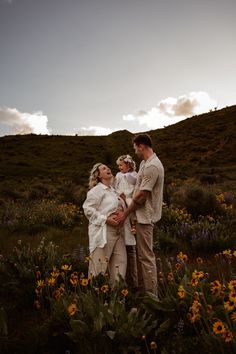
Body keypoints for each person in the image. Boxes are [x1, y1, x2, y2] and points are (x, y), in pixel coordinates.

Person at [116, 133, 164, 295]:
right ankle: (144, 291)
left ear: (141, 146)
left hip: (145, 217)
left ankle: (152, 297)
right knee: (142, 256)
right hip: (139, 216)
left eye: (135, 147)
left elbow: (142, 196)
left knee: (146, 257)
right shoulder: (145, 163)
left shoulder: (152, 166)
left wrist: (125, 214)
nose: (135, 150)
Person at [82, 163, 127, 286]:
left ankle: (117, 300)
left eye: (108, 167)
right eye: (104, 168)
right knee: (98, 268)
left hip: (119, 233)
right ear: (98, 175)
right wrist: (105, 219)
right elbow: (88, 209)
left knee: (120, 267)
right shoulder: (96, 191)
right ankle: (95, 300)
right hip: (104, 232)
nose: (108, 169)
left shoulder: (114, 191)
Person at [114, 154, 138, 288]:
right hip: (120, 198)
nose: (119, 167)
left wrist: (128, 196)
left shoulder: (133, 175)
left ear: (128, 165)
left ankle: (133, 224)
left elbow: (136, 187)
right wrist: (119, 195)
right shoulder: (118, 175)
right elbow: (116, 186)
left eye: (121, 165)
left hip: (130, 197)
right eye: (118, 166)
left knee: (130, 204)